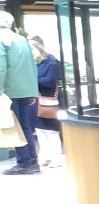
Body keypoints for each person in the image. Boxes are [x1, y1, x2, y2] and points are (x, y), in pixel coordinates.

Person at [0, 10, 41, 175]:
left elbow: (1, 69)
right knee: (25, 126)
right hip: (25, 90)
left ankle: (24, 163)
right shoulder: (21, 39)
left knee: (14, 128)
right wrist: (32, 91)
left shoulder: (1, 39)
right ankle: (32, 162)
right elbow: (31, 66)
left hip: (9, 91)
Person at [29, 36, 62, 167]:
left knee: (51, 131)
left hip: (48, 101)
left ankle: (56, 158)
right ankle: (46, 156)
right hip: (38, 101)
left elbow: (50, 82)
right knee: (40, 130)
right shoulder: (36, 63)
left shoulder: (51, 62)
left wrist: (33, 80)